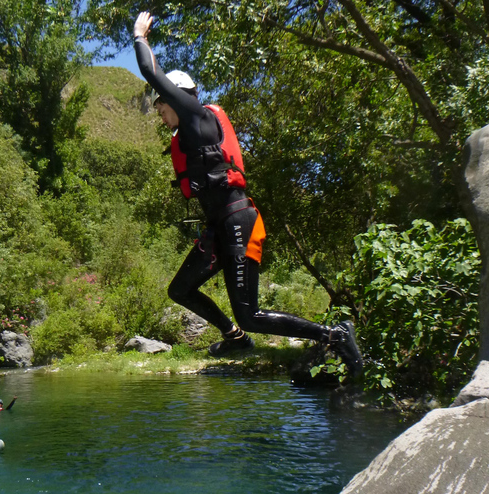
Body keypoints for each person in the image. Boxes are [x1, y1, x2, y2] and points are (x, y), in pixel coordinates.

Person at [132, 12, 364, 377]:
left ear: (175, 100)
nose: (161, 116)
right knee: (180, 289)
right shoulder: (187, 134)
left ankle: (333, 336)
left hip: (238, 219)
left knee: (251, 313)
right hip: (218, 227)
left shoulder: (196, 116)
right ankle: (235, 338)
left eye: (161, 108)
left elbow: (150, 72)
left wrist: (139, 36)